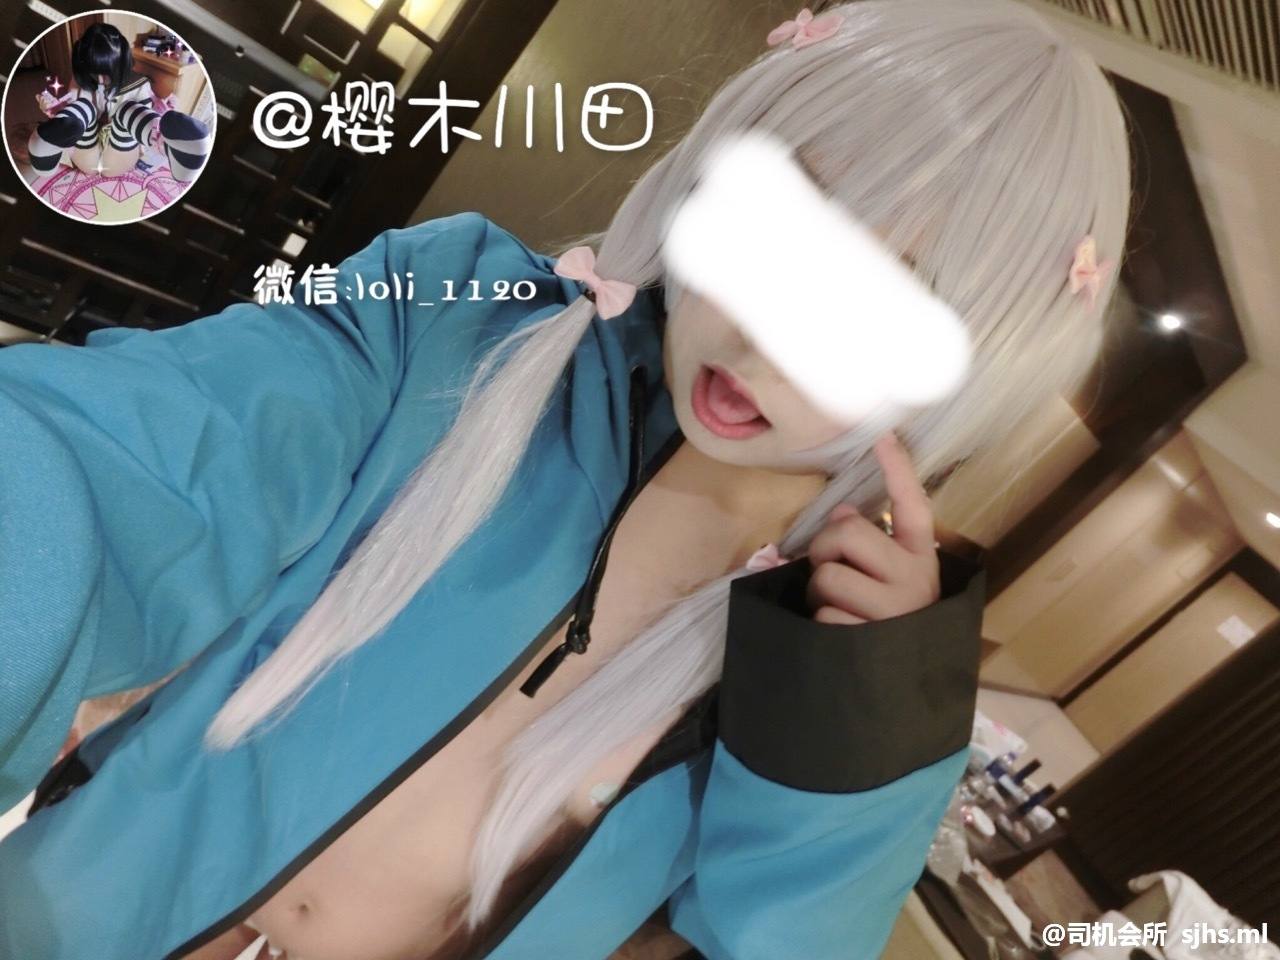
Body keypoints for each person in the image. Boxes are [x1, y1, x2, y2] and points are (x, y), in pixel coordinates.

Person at [0, 1, 1130, 958]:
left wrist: (857, 722)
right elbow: (142, 463)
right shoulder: (457, 319)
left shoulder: (839, 658)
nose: (767, 336)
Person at [25, 22, 212, 183]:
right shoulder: (80, 81)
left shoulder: (139, 85)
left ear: (120, 64)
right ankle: (46, 144)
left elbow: (142, 115)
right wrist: (57, 111)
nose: (100, 80)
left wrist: (159, 116)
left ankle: (166, 143)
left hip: (118, 155)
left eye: (106, 73)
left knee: (127, 111)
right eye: (93, 72)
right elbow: (72, 109)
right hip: (87, 156)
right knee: (81, 111)